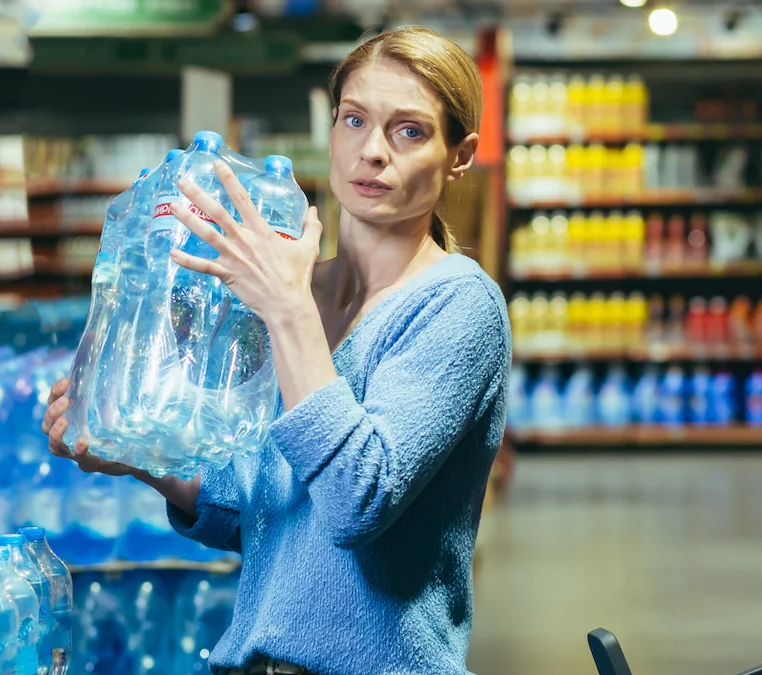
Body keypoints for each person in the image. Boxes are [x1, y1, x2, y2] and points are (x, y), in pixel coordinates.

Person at [42, 25, 511, 675]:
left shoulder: (457, 306)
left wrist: (285, 308)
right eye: (354, 120)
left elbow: (359, 500)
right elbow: (265, 509)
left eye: (409, 131)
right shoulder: (301, 288)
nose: (372, 151)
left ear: (460, 155)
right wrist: (135, 454)